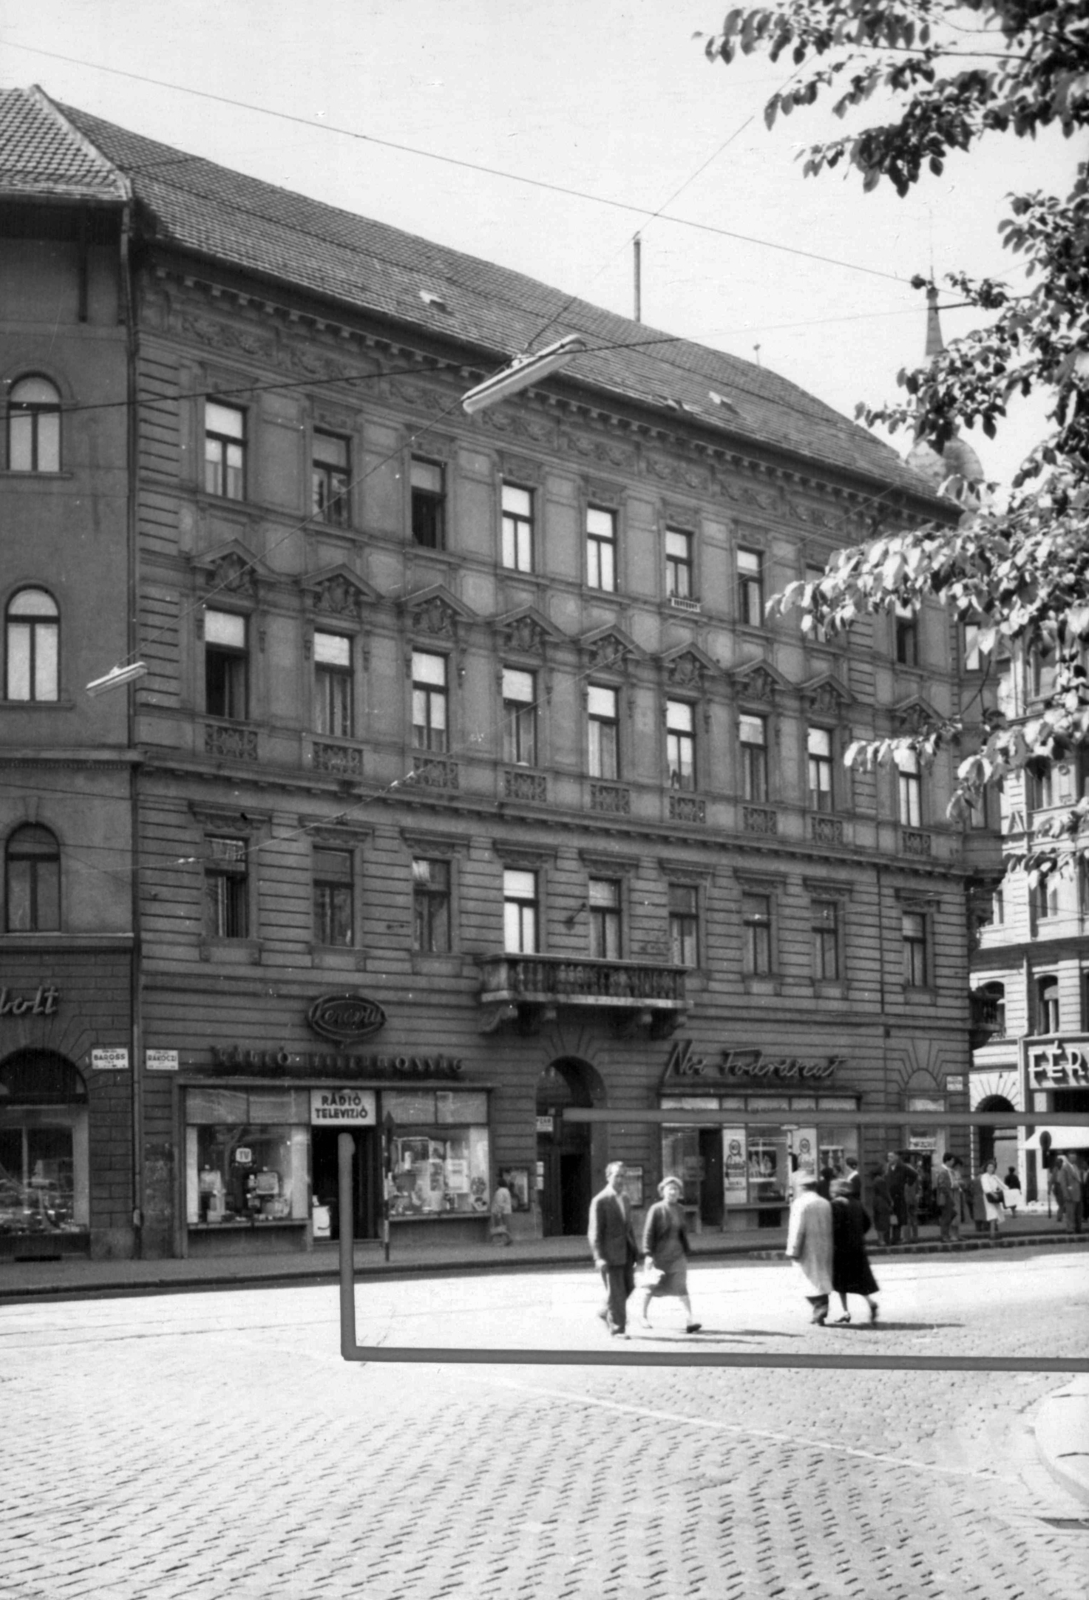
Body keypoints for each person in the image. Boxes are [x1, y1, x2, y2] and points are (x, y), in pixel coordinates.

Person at [638, 1175, 701, 1334]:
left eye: (676, 1189)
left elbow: (682, 1232)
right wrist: (648, 1254)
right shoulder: (656, 1209)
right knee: (651, 1287)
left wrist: (686, 1248)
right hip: (659, 1255)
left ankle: (690, 1320)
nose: (673, 1192)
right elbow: (648, 1233)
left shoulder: (680, 1209)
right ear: (662, 1191)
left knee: (681, 1286)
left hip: (677, 1255)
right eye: (670, 1189)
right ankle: (643, 1316)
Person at [587, 1160, 638, 1338]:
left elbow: (629, 1227)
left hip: (626, 1252)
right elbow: (594, 1232)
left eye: (623, 1176)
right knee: (617, 1292)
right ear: (608, 1177)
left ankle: (605, 1311)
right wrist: (598, 1257)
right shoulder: (600, 1200)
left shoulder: (624, 1198)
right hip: (610, 1254)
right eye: (617, 1175)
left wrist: (635, 1251)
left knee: (629, 1286)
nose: (620, 1179)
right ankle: (618, 1328)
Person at [785, 1167, 833, 1325]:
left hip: (807, 1247)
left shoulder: (800, 1204)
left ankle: (819, 1307)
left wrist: (793, 1249)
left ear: (801, 1187)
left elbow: (797, 1229)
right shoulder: (825, 1202)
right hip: (825, 1245)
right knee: (821, 1277)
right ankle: (820, 1307)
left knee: (806, 1280)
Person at [829, 1177, 879, 1324]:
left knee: (840, 1282)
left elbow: (834, 1227)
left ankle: (845, 1311)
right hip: (857, 1248)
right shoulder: (857, 1203)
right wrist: (857, 1234)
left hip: (841, 1249)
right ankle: (871, 1303)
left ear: (836, 1190)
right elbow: (867, 1223)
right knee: (859, 1281)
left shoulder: (836, 1204)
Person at [885, 1151, 917, 1246]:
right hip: (888, 1195)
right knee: (888, 1218)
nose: (889, 1159)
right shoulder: (887, 1167)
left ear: (897, 1157)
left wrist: (907, 1183)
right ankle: (888, 1239)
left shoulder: (902, 1167)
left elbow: (914, 1175)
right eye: (888, 1157)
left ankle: (896, 1238)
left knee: (898, 1218)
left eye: (891, 1157)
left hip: (899, 1196)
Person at [970, 1158, 1007, 1237]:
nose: (991, 1169)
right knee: (992, 1215)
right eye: (989, 1167)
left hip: (995, 1197)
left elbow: (1002, 1185)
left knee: (997, 1215)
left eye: (992, 1167)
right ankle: (992, 1234)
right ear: (986, 1168)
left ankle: (994, 1234)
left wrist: (1008, 1190)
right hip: (988, 1197)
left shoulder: (994, 1177)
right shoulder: (984, 1176)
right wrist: (993, 1194)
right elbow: (986, 1188)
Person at [1054, 1150, 1084, 1234]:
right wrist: (1066, 1194)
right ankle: (1070, 1229)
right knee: (1070, 1213)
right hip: (1070, 1194)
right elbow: (1063, 1183)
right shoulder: (1065, 1168)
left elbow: (1079, 1180)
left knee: (1078, 1213)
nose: (1074, 1158)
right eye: (1072, 1157)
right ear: (1068, 1158)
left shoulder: (1076, 1167)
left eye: (1075, 1157)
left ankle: (1078, 1228)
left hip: (1078, 1193)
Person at [934, 1151, 960, 1243]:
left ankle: (946, 1235)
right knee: (946, 1217)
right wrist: (948, 1195)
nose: (953, 1162)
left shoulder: (948, 1171)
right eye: (952, 1160)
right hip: (945, 1197)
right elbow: (942, 1185)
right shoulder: (943, 1171)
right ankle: (944, 1236)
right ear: (948, 1160)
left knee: (950, 1215)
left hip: (947, 1196)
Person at [870, 1167, 892, 1246]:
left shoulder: (875, 1179)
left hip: (876, 1202)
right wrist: (890, 1201)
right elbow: (885, 1192)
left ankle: (880, 1240)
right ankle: (882, 1241)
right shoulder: (881, 1180)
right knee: (883, 1221)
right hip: (882, 1202)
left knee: (878, 1221)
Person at [489, 1173, 513, 1245]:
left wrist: (499, 1213)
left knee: (499, 1227)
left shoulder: (499, 1192)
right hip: (507, 1211)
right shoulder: (507, 1191)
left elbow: (499, 1203)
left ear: (499, 1184)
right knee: (506, 1226)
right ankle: (508, 1239)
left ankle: (501, 1240)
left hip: (500, 1211)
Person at [902, 1157, 920, 1243]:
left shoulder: (903, 1172)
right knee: (914, 1219)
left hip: (905, 1198)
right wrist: (917, 1195)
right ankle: (915, 1237)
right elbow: (919, 1187)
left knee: (906, 1219)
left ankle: (906, 1238)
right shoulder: (915, 1172)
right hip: (914, 1199)